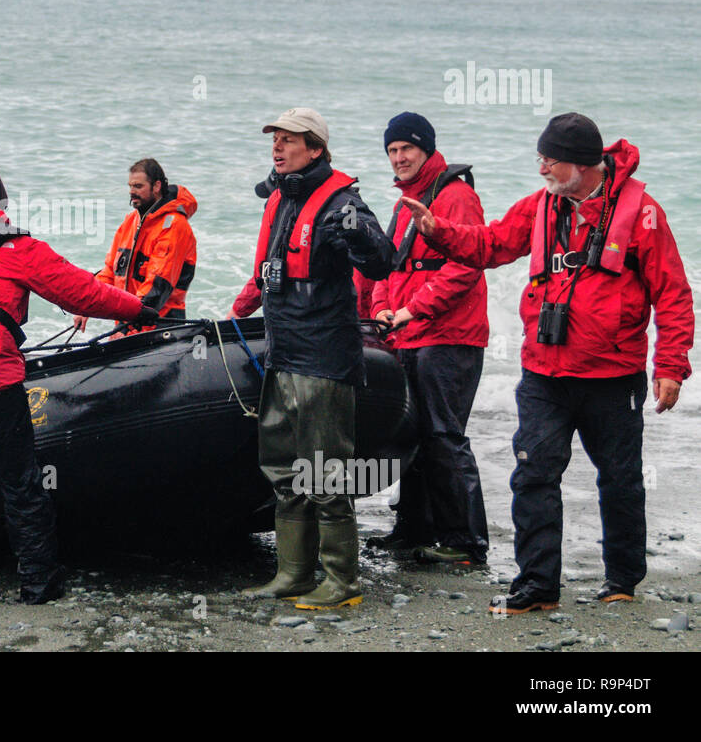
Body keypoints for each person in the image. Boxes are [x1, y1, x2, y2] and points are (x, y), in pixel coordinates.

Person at [400, 113, 693, 614]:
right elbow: (490, 244)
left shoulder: (643, 214)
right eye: (540, 159)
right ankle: (537, 587)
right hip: (543, 372)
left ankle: (622, 578)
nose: (541, 170)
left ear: (582, 164)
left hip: (613, 375)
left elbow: (673, 295)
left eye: (549, 161)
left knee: (619, 479)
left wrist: (671, 365)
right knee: (532, 474)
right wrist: (438, 231)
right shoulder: (539, 208)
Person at [0, 161, 154, 604]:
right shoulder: (19, 248)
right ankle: (38, 583)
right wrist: (140, 310)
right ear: (0, 201)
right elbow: (82, 293)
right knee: (21, 485)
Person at [228, 108, 394, 610]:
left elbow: (382, 260)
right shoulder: (281, 198)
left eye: (289, 140)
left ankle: (342, 582)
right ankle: (293, 573)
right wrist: (240, 305)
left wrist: (358, 235)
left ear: (316, 148)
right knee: (282, 469)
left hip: (324, 358)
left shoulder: (343, 202)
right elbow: (271, 270)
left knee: (324, 474)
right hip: (282, 354)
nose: (277, 148)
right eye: (275, 140)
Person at [367, 112, 490, 566]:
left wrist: (413, 309)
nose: (399, 158)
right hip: (407, 334)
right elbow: (389, 265)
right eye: (392, 151)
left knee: (444, 435)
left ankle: (466, 542)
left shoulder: (456, 196)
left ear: (427, 150)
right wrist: (380, 307)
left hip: (451, 337)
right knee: (412, 433)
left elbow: (466, 266)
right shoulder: (404, 205)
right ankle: (413, 529)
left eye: (407, 150)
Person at [72, 158, 197, 334]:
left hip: (161, 327)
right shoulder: (131, 221)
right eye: (130, 186)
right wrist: (87, 306)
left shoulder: (174, 225)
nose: (132, 192)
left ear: (157, 186)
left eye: (138, 186)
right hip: (129, 322)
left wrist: (125, 328)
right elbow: (110, 272)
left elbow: (158, 287)